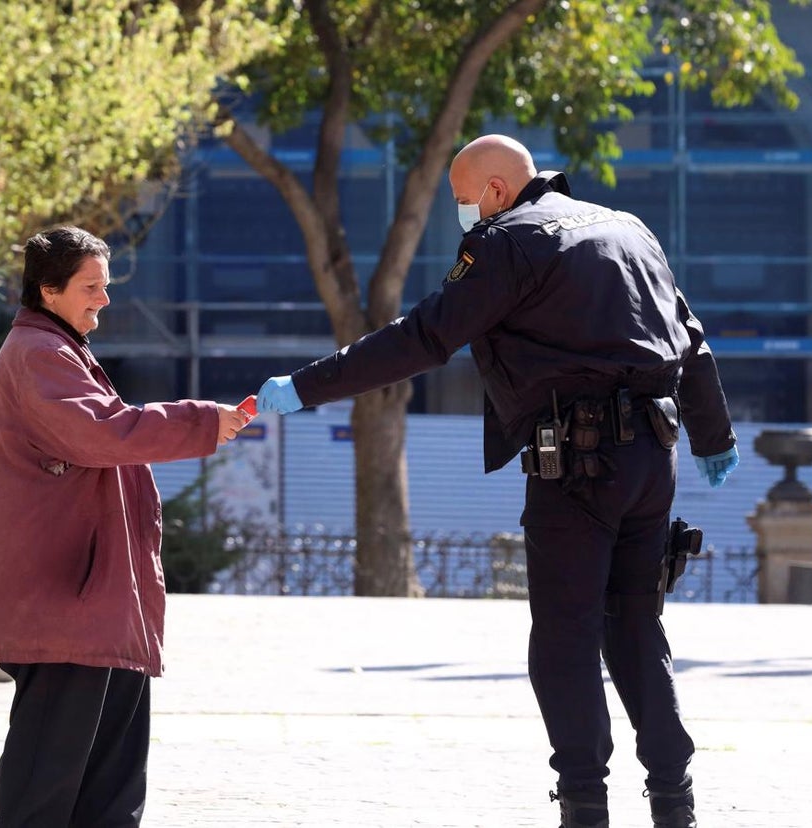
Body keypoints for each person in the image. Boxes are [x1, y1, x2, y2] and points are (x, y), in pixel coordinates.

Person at [255, 134, 739, 828]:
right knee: (636, 623)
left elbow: (424, 336)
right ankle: (674, 800)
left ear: (493, 190)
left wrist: (307, 386)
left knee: (567, 633)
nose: (464, 215)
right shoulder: (627, 228)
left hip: (578, 463)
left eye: (462, 200)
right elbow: (689, 337)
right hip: (651, 463)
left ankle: (584, 806)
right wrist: (713, 438)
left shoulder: (508, 240)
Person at [0, 225, 250, 826]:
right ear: (48, 290)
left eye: (106, 284)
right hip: (69, 601)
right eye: (91, 286)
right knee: (50, 784)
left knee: (110, 782)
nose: (104, 298)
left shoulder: (58, 349)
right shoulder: (40, 354)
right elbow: (105, 432)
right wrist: (203, 422)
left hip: (93, 601)